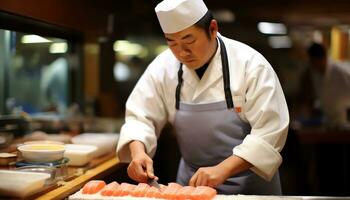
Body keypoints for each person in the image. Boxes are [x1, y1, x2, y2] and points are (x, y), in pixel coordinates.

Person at [116, 0, 289, 195]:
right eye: (172, 42)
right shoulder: (163, 66)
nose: (181, 52)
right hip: (191, 187)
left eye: (189, 40)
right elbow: (140, 116)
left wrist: (222, 169)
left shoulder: (251, 65)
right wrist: (138, 153)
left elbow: (270, 132)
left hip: (251, 188)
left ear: (213, 29)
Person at [296, 42, 350, 128]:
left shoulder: (340, 71)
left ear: (323, 58)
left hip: (345, 122)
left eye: (314, 61)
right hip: (330, 122)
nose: (313, 65)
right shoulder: (315, 74)